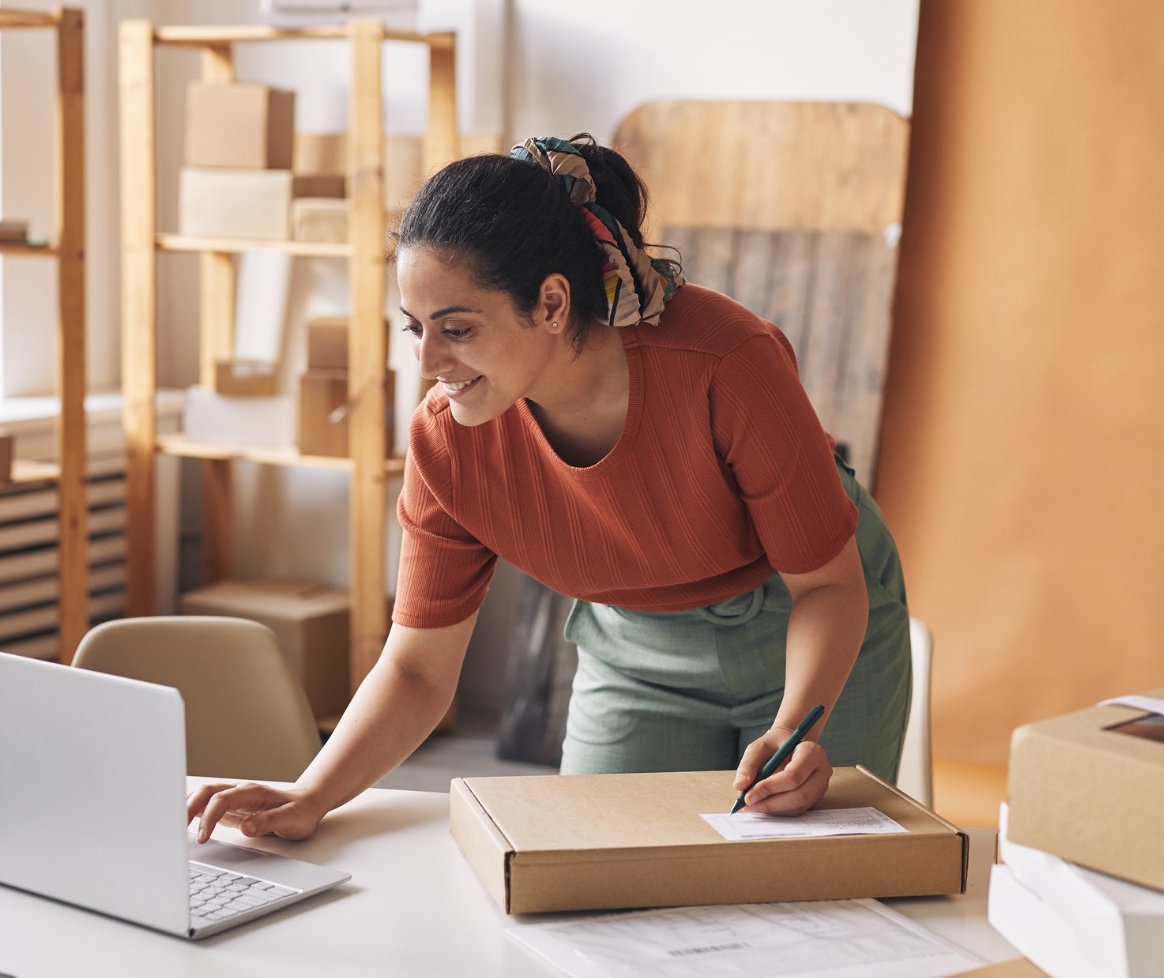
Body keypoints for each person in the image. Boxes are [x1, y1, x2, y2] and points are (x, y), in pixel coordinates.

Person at [188, 134, 911, 843]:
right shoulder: (448, 440)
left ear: (554, 302)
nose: (428, 361)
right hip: (634, 649)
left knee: (812, 895)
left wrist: (793, 728)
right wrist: (311, 793)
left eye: (458, 328)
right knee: (599, 884)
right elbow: (417, 667)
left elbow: (827, 586)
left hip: (807, 614)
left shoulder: (724, 362)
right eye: (415, 329)